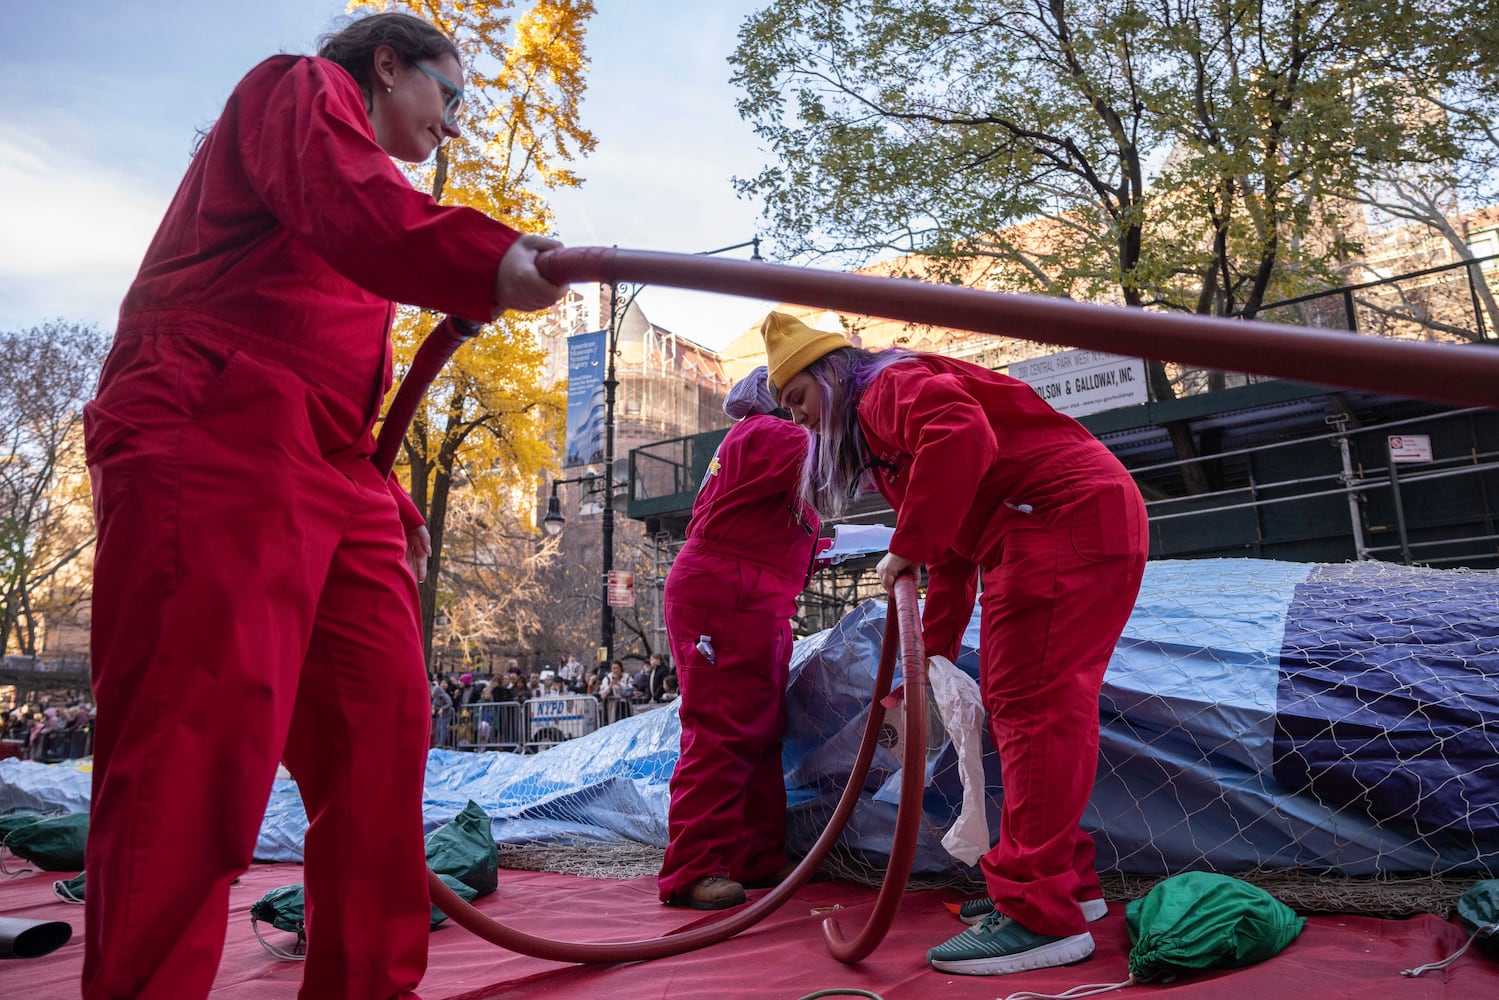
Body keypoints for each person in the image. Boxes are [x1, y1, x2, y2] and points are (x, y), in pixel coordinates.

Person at [80, 13, 565, 1000]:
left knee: (379, 726)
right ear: (385, 68)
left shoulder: (366, 206)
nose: (457, 124)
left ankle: (367, 984)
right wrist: (482, 257)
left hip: (329, 468)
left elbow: (332, 376)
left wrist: (385, 492)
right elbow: (342, 218)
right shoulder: (294, 91)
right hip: (210, 426)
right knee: (195, 738)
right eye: (452, 95)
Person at [760, 312, 1147, 976]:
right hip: (1054, 525)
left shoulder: (886, 387)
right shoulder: (887, 427)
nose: (801, 421)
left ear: (828, 373)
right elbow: (953, 558)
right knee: (1029, 708)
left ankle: (1038, 914)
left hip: (1058, 522)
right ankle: (1065, 888)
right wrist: (920, 664)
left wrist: (906, 545)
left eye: (798, 400)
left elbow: (958, 436)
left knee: (1033, 708)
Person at [657, 366, 821, 911]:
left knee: (758, 728)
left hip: (749, 595)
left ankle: (755, 853)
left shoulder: (760, 441)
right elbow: (839, 460)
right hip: (731, 594)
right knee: (723, 729)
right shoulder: (775, 434)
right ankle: (692, 868)